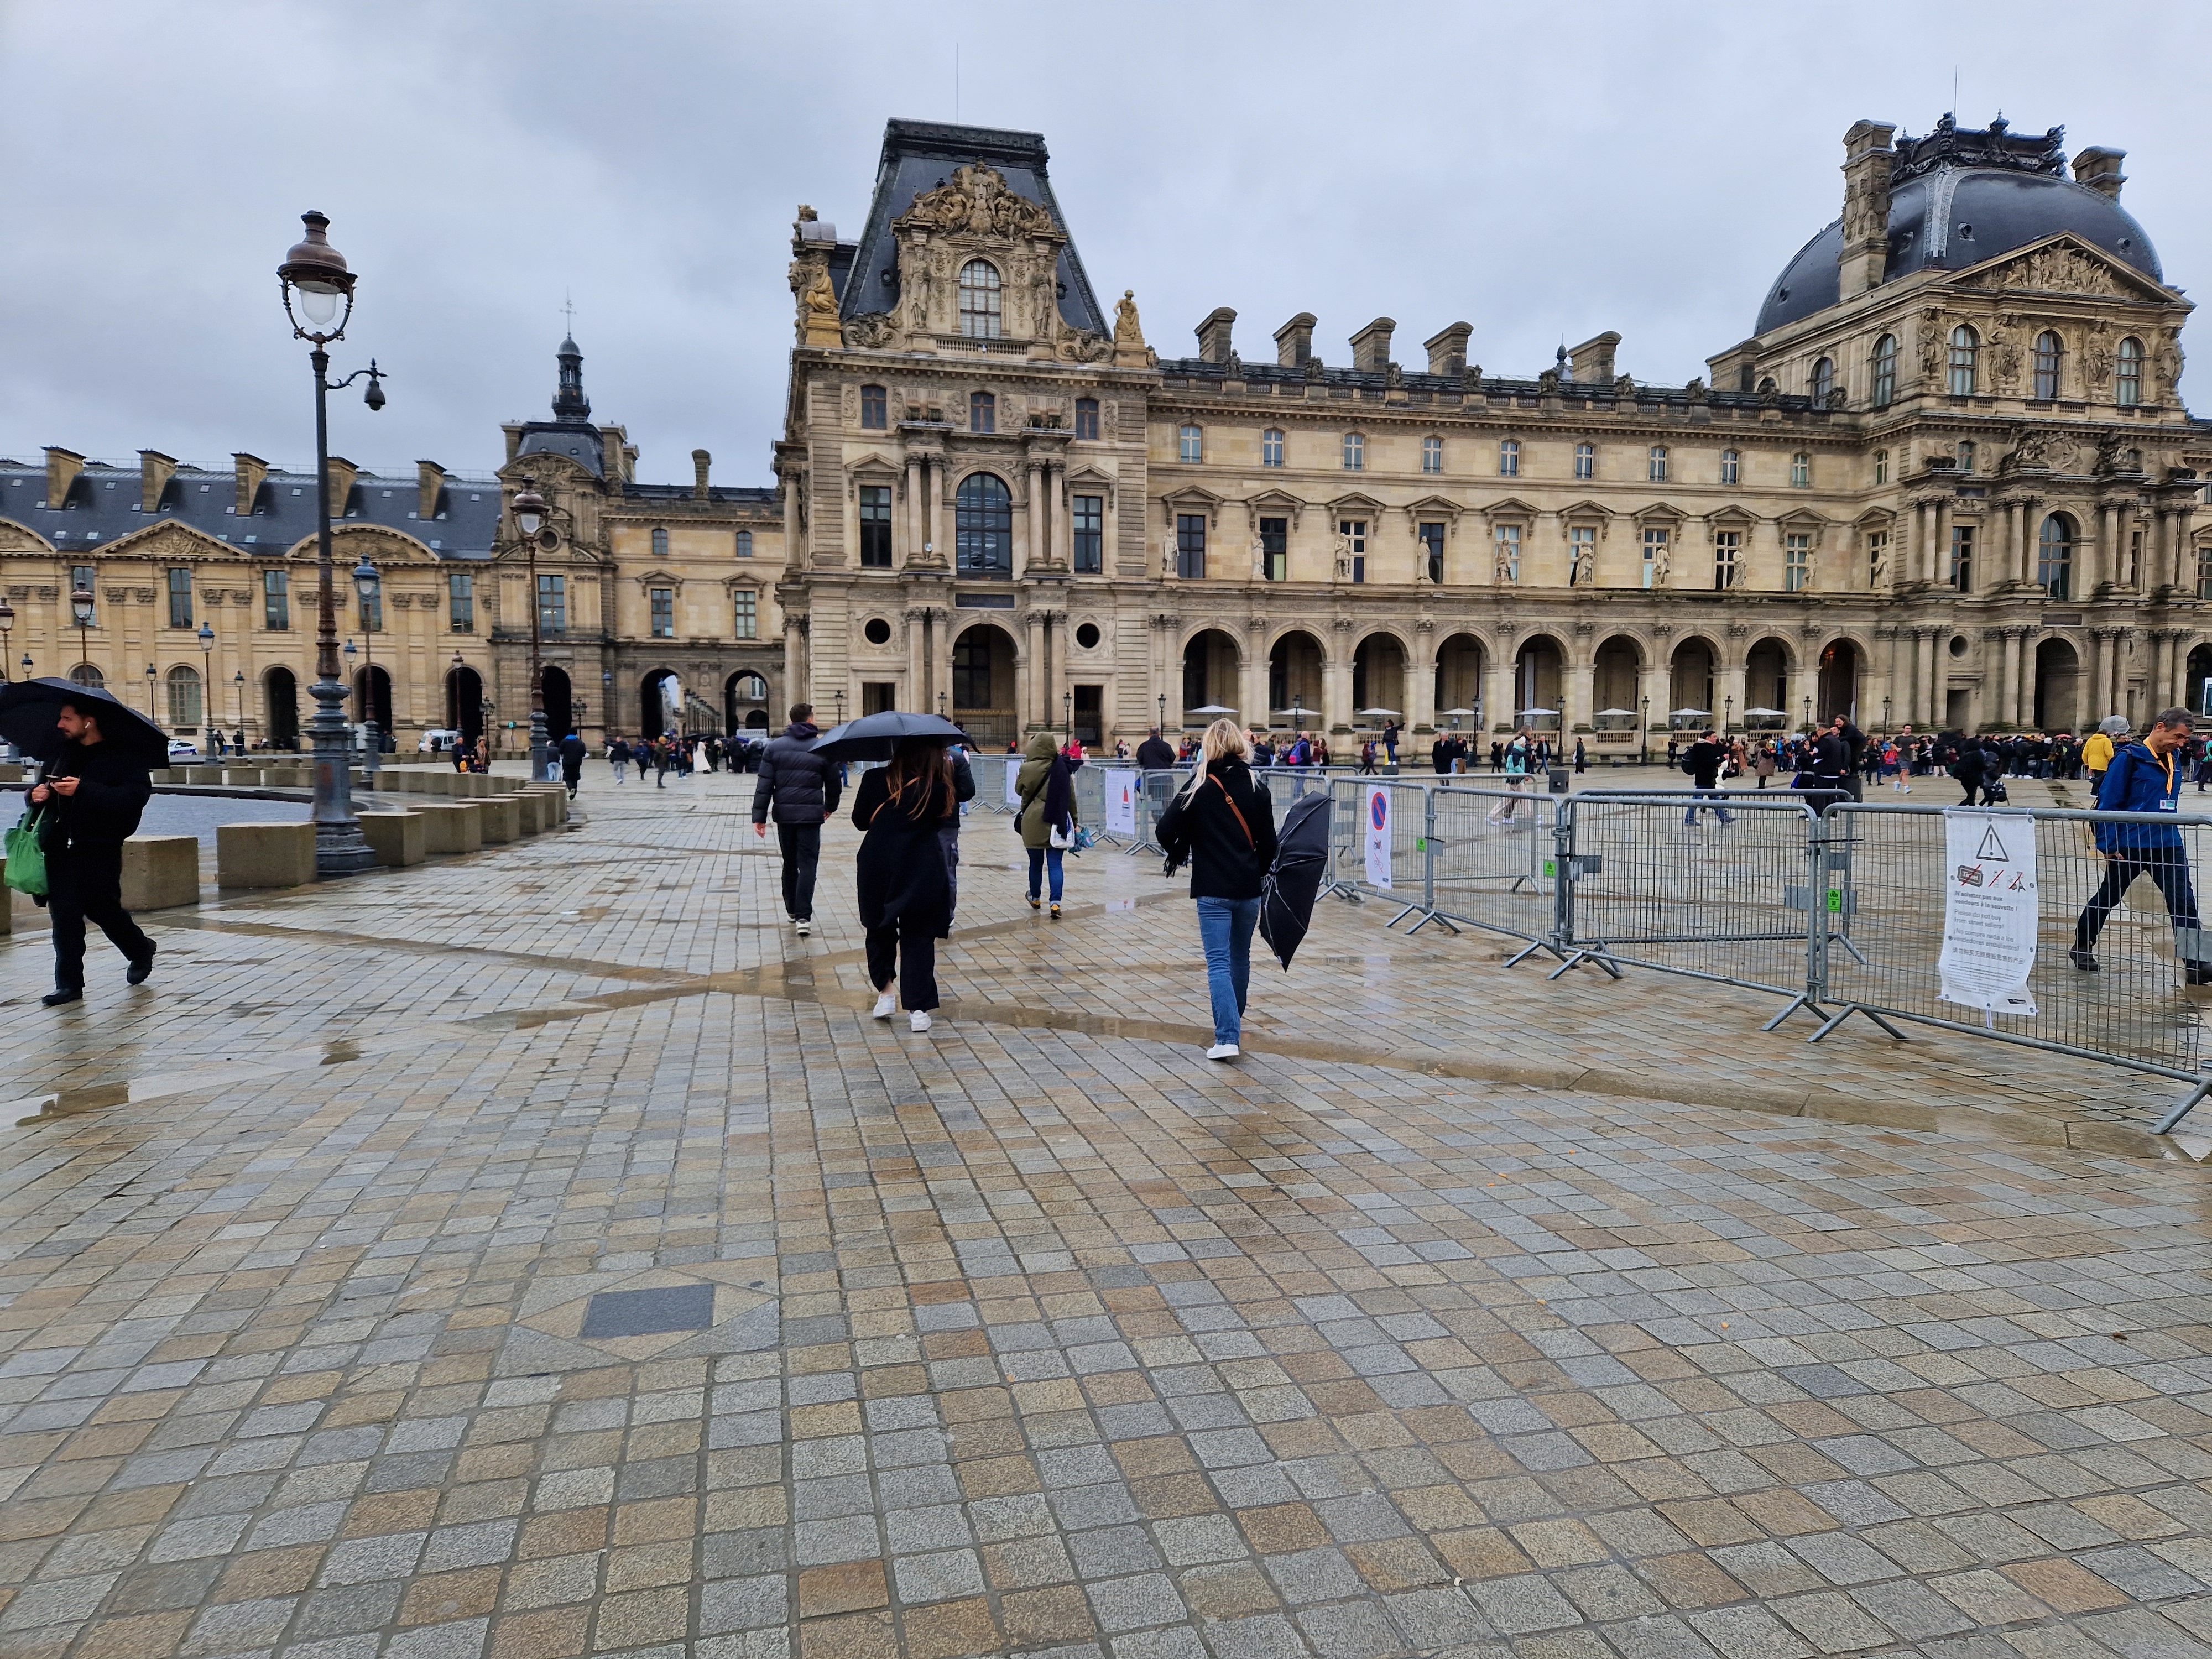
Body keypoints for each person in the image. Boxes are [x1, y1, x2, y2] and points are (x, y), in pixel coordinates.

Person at [1154, 717, 1278, 1062]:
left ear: (1208, 746)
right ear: (1240, 744)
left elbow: (1164, 831)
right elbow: (1270, 843)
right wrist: (1259, 868)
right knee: (1240, 958)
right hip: (1249, 887)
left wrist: (1191, 840)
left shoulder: (1199, 784)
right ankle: (1232, 1026)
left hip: (1212, 887)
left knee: (1218, 962)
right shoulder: (1256, 784)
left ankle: (1227, 1037)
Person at [30, 696, 156, 1006]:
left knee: (103, 909)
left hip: (99, 847)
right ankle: (69, 985)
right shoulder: (61, 754)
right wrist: (36, 795)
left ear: (89, 721)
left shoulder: (125, 757)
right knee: (65, 917)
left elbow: (133, 798)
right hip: (60, 847)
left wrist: (83, 789)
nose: (60, 724)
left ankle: (140, 949)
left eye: (67, 719)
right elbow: (41, 799)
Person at [2074, 708, 2210, 982]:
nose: (2182, 743)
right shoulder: (2129, 758)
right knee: (2109, 897)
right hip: (2130, 844)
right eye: (2178, 736)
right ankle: (2082, 945)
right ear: (2160, 727)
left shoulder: (2172, 758)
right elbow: (2109, 802)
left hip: (2167, 843)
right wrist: (2108, 844)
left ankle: (2197, 963)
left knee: (2184, 902)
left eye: (2185, 739)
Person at [853, 737, 956, 1031]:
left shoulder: (874, 778)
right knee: (919, 935)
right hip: (922, 865)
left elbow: (860, 821)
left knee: (879, 927)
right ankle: (919, 1009)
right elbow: (942, 822)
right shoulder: (937, 787)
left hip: (878, 862)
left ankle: (886, 993)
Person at [752, 703, 840, 938]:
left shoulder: (775, 748)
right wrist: (830, 806)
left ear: (791, 721)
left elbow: (764, 786)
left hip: (785, 816)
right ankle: (803, 916)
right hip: (811, 816)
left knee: (790, 863)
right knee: (808, 864)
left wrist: (759, 817)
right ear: (810, 720)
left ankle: (792, 909)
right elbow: (834, 782)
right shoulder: (822, 747)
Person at [1015, 730, 1077, 919]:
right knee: (1056, 864)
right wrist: (1074, 821)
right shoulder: (1062, 767)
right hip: (1056, 820)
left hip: (1033, 822)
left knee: (1035, 863)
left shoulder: (1027, 769)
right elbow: (1071, 798)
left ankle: (1035, 897)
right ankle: (1056, 903)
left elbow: (1018, 791)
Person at [939, 743, 977, 926]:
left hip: (919, 819)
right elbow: (969, 790)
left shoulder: (916, 755)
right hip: (947, 820)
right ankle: (947, 914)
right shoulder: (957, 757)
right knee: (947, 868)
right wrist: (952, 797)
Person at [1679, 729, 1734, 825]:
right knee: (1697, 800)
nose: (1716, 738)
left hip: (1706, 778)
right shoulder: (1705, 747)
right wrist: (1723, 758)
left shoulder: (1702, 747)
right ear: (1708, 738)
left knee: (1714, 800)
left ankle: (1724, 818)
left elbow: (1707, 762)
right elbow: (1708, 762)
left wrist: (1716, 763)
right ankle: (1690, 819)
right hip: (1705, 778)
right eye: (1714, 737)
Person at [2082, 715, 2128, 797]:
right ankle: (2096, 792)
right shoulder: (2106, 740)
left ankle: (2094, 792)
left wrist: (2086, 762)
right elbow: (2109, 753)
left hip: (2092, 763)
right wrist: (2113, 760)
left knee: (2098, 778)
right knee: (2101, 779)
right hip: (2103, 763)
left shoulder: (2090, 740)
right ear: (2106, 734)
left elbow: (2085, 753)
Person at [559, 731, 587, 799]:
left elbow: (560, 751)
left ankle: (571, 788)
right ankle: (574, 790)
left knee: (567, 777)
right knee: (575, 777)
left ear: (569, 733)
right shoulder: (580, 742)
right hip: (577, 762)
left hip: (567, 762)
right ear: (576, 734)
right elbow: (584, 752)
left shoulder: (564, 741)